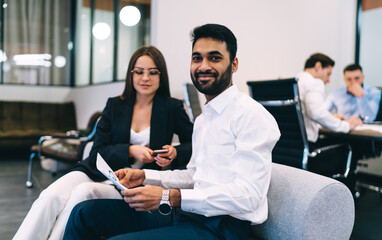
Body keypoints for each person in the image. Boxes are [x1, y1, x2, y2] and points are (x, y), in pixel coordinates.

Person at [63, 23, 280, 240]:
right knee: (83, 213)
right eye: (197, 58)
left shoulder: (251, 116)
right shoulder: (204, 120)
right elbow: (194, 176)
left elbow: (249, 196)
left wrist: (170, 197)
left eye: (214, 58)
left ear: (234, 64)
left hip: (222, 228)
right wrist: (145, 175)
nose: (203, 66)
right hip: (186, 214)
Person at [13, 46, 193, 240]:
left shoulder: (172, 108)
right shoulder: (115, 105)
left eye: (153, 72)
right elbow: (97, 151)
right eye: (139, 72)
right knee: (49, 197)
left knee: (81, 195)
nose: (145, 78)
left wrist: (174, 152)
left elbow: (194, 145)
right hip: (94, 170)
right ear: (131, 74)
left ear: (161, 75)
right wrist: (131, 150)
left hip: (126, 184)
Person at [296, 53, 363, 146]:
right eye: (328, 74)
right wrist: (346, 125)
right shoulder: (314, 82)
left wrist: (330, 118)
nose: (328, 80)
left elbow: (311, 112)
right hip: (307, 146)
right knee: (347, 145)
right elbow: (317, 114)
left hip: (288, 147)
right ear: (318, 66)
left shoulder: (294, 82)